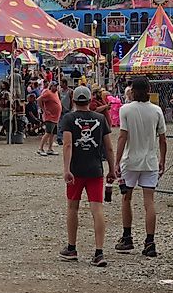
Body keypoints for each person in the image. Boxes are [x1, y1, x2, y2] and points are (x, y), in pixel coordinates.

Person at [59, 86, 115, 266]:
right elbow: (109, 147)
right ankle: (99, 252)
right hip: (95, 169)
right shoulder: (99, 119)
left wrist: (66, 169)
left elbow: (67, 145)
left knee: (72, 208)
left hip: (76, 170)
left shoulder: (68, 119)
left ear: (74, 101)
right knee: (97, 209)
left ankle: (72, 247)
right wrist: (112, 169)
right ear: (90, 100)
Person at [114, 77, 167, 257]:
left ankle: (127, 236)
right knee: (149, 202)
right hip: (150, 160)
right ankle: (150, 240)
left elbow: (123, 137)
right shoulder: (156, 110)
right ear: (149, 89)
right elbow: (163, 138)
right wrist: (162, 160)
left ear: (132, 90)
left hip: (130, 160)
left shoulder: (126, 110)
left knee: (126, 198)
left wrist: (116, 161)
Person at [37, 81, 62, 157]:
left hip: (55, 117)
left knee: (52, 133)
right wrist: (43, 109)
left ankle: (50, 149)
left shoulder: (56, 93)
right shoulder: (48, 93)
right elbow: (39, 99)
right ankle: (40, 148)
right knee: (48, 132)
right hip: (50, 117)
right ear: (51, 86)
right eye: (55, 86)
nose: (56, 87)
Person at [56, 79, 72, 145]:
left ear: (65, 83)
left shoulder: (70, 91)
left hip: (67, 110)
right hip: (61, 110)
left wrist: (71, 108)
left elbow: (72, 100)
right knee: (60, 124)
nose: (60, 85)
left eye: (62, 83)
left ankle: (67, 137)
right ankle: (59, 138)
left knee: (68, 124)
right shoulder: (60, 91)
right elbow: (59, 99)